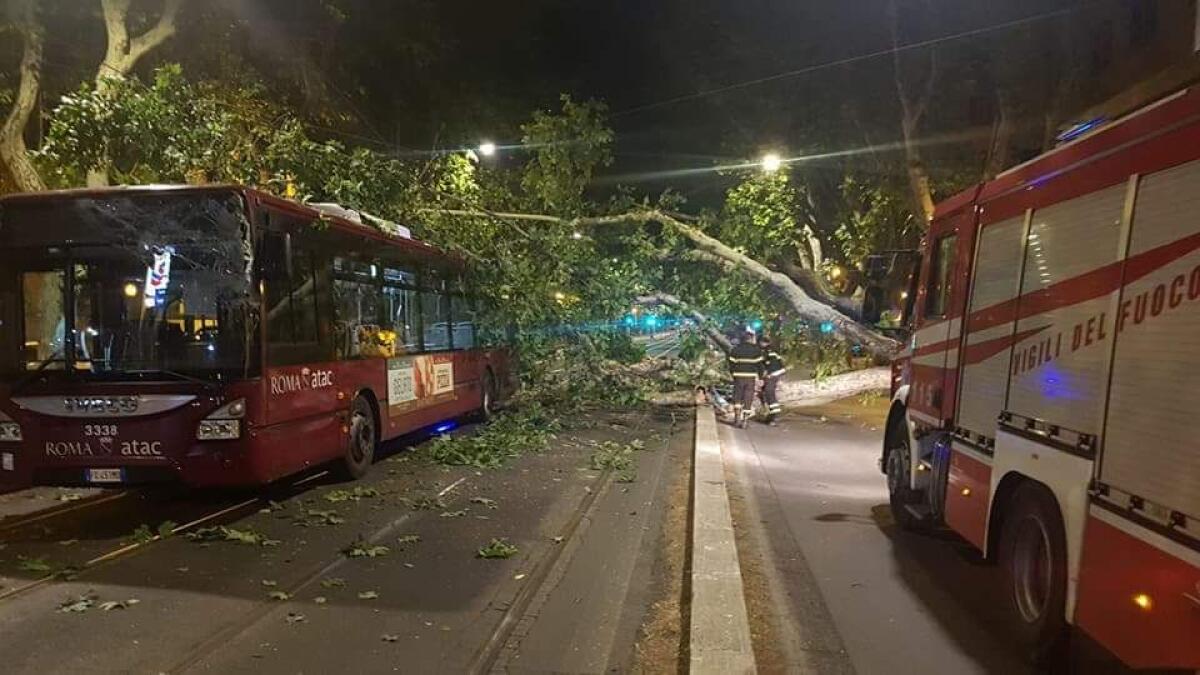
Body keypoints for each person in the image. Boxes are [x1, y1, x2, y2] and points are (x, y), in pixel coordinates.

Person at [727, 329, 764, 428]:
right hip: (750, 377)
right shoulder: (756, 350)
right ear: (750, 339)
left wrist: (733, 374)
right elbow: (760, 365)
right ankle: (745, 420)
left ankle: (737, 418)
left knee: (737, 396)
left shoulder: (735, 349)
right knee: (748, 397)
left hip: (738, 376)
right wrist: (761, 377)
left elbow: (731, 364)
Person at [759, 335, 786, 425]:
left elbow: (772, 364)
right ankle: (770, 415)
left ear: (763, 342)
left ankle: (774, 416)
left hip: (773, 374)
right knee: (764, 392)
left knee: (769, 392)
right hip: (775, 373)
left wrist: (768, 374)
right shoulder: (770, 350)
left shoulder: (769, 351)